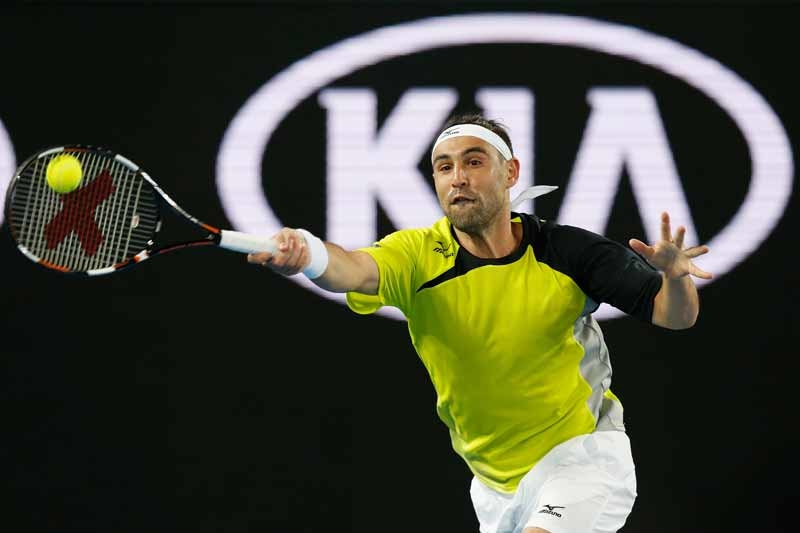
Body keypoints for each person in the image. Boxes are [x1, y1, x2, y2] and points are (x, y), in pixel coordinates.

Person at [247, 112, 712, 533]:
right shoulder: (416, 256)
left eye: (473, 162)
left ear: (510, 173)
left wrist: (674, 277)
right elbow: (351, 269)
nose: (458, 178)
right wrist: (308, 254)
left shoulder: (570, 252)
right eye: (444, 167)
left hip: (582, 457)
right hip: (493, 486)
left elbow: (676, 316)